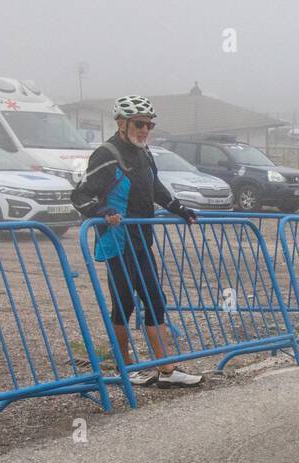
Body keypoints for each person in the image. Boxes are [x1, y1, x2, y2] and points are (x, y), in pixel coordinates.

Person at [73, 94, 202, 388]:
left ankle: (166, 370)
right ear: (122, 123)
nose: (145, 129)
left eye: (149, 125)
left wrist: (179, 209)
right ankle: (124, 366)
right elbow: (80, 195)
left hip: (141, 239)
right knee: (125, 303)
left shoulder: (144, 153)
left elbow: (154, 187)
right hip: (117, 240)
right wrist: (101, 211)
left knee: (155, 300)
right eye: (139, 123)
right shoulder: (106, 154)